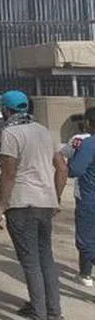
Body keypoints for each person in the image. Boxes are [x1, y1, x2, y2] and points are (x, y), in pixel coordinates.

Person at [0, 89, 69, 320]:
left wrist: (1, 205)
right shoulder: (44, 131)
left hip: (22, 203)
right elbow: (62, 168)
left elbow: (9, 173)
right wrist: (54, 197)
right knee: (46, 259)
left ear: (6, 110)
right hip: (44, 202)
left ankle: (40, 319)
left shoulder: (10, 133)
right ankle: (56, 316)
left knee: (30, 262)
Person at [66, 107, 95, 288]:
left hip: (89, 199)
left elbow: (75, 170)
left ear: (89, 123)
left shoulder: (88, 144)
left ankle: (86, 273)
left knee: (86, 242)